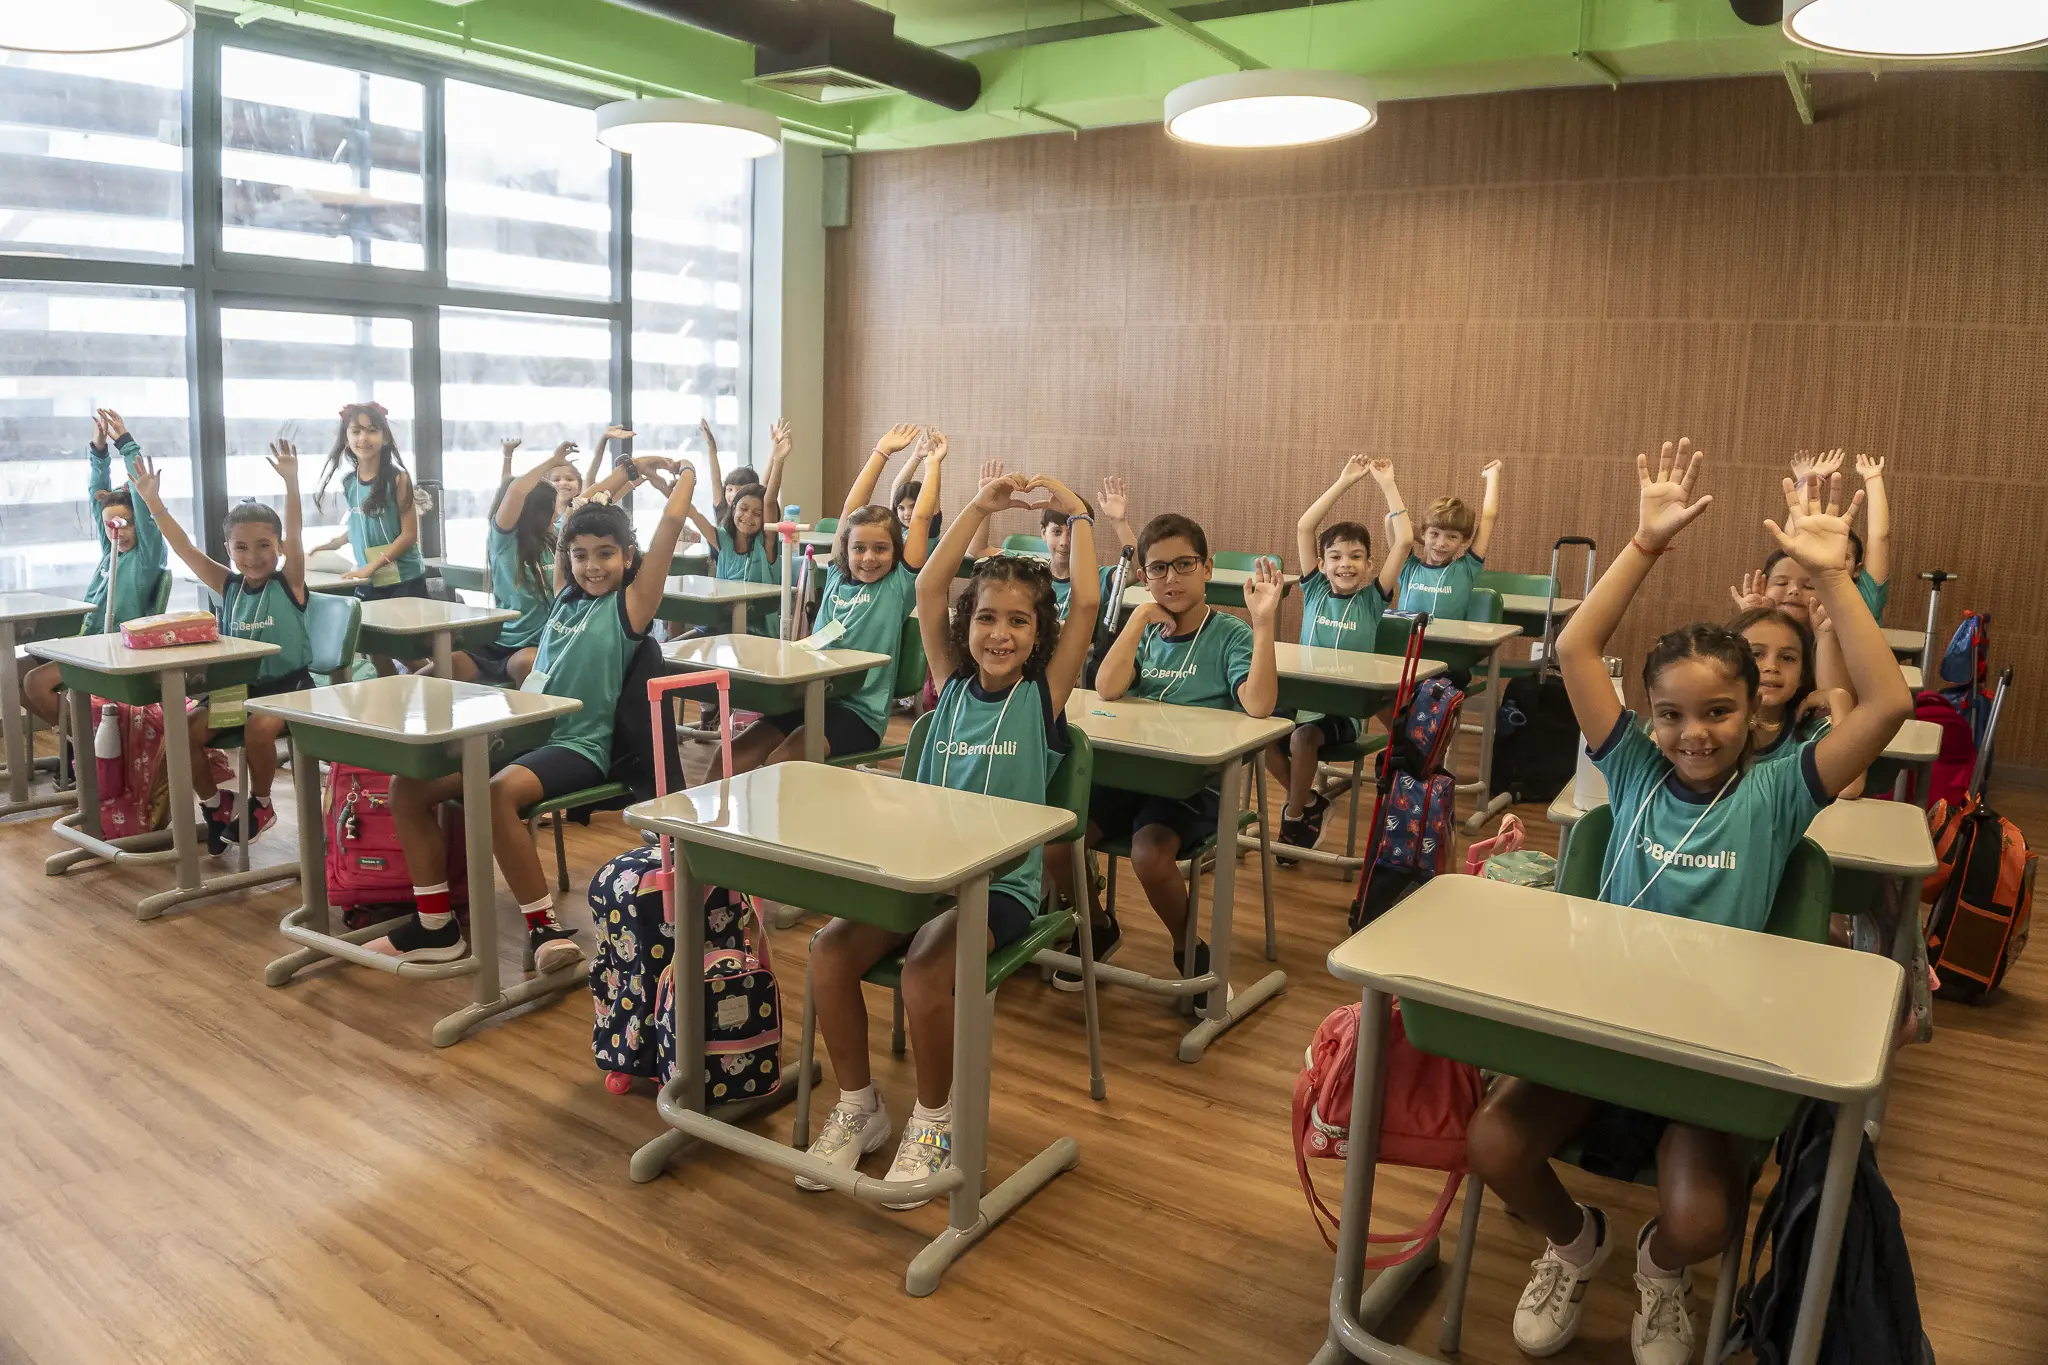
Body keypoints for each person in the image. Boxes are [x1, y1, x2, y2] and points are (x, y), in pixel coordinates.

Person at [1464, 441, 1911, 1365]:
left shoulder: (1779, 791)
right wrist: (1644, 544)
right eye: (1671, 713)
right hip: (1602, 1029)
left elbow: (1887, 706)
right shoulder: (1632, 768)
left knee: (1703, 1218)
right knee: (1493, 1142)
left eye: (1717, 713)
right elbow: (1575, 647)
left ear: (1754, 712)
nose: (1693, 733)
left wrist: (1833, 580)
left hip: (1705, 1049)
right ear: (1648, 717)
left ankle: (1659, 1267)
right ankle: (1575, 1242)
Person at [799, 470, 1095, 1206]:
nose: (1000, 634)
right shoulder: (950, 683)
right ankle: (860, 1107)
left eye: (1019, 621)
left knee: (926, 972)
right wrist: (979, 505)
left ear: (1040, 635)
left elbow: (1089, 601)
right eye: (987, 617)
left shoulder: (1042, 696)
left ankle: (935, 1120)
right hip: (921, 874)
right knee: (828, 951)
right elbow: (930, 586)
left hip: (1001, 886)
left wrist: (1077, 513)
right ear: (967, 626)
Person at [368, 463, 701, 972]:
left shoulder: (630, 608)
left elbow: (669, 529)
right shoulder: (564, 596)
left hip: (578, 745)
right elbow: (571, 516)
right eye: (580, 555)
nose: (592, 566)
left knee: (496, 793)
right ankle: (435, 926)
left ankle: (544, 930)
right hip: (525, 735)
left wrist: (687, 477)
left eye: (606, 554)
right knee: (407, 789)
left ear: (629, 557)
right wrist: (622, 473)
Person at [1046, 513, 1282, 1001]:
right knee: (1055, 843)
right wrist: (1136, 621)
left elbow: (1259, 705)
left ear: (1207, 568)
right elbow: (1107, 688)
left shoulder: (1230, 634)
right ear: (1144, 576)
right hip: (1132, 775)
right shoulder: (1149, 631)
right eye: (1157, 569)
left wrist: (1263, 624)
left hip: (1193, 783)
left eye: (1184, 564)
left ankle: (1188, 949)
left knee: (1149, 855)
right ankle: (1097, 927)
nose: (1171, 578)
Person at [724, 422, 939, 771]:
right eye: (859, 548)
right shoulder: (838, 574)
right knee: (732, 755)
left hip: (858, 713)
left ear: (895, 552)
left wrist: (932, 465)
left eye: (881, 549)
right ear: (846, 550)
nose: (868, 558)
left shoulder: (897, 586)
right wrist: (881, 452)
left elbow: (923, 518)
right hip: (809, 696)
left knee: (783, 761)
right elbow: (850, 509)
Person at [131, 443, 312, 853]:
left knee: (257, 729)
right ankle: (216, 805)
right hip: (237, 690)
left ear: (280, 547)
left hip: (289, 689)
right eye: (241, 547)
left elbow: (297, 532)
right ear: (228, 549)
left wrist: (291, 482)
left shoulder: (290, 582)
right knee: (182, 731)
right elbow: (184, 549)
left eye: (264, 545)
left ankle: (261, 804)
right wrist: (153, 502)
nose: (254, 556)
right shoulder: (227, 586)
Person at [1268, 454, 1411, 853]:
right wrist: (1344, 481)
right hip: (1302, 701)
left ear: (1369, 564)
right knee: (1256, 735)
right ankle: (1310, 801)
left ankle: (1294, 817)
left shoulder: (1372, 599)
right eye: (1335, 557)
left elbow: (1404, 541)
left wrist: (1387, 484)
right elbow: (1305, 527)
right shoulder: (1313, 589)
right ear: (1322, 563)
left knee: (1303, 740)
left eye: (1355, 557)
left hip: (1342, 712)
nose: (1345, 565)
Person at [20, 409, 166, 728]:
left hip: (110, 647)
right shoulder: (110, 549)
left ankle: (91, 747)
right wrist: (99, 451)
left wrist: (125, 443)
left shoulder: (146, 556)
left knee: (34, 682)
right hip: (84, 640)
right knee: (13, 675)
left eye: (125, 524)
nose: (117, 531)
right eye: (109, 525)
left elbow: (143, 500)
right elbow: (95, 494)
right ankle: (83, 741)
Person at [446, 441, 575, 686]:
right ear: (534, 513)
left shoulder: (554, 537)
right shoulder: (505, 541)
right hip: (497, 643)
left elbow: (590, 497)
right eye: (551, 508)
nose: (556, 513)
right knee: (447, 664)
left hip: (533, 645)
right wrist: (552, 460)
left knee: (526, 664)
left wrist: (629, 473)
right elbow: (515, 491)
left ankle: (529, 711)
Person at [971, 462, 1138, 622]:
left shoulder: (1097, 578)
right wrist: (983, 507)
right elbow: (979, 550)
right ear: (1044, 533)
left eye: (1072, 534)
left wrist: (1119, 522)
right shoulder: (1029, 568)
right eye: (1057, 532)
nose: (1064, 542)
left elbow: (1136, 570)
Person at [701, 419, 792, 636]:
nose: (748, 516)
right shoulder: (724, 529)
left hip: (757, 629)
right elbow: (713, 484)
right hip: (725, 616)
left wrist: (777, 459)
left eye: (756, 513)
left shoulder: (764, 540)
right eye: (730, 489)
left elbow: (768, 497)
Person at [1394, 459, 1501, 620]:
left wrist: (1493, 475)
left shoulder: (1467, 569)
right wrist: (1426, 541)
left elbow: (1489, 517)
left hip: (1449, 637)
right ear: (1423, 532)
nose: (1441, 543)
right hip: (1409, 638)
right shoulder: (1407, 568)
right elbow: (1392, 520)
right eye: (1434, 534)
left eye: (1452, 536)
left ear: (1464, 539)